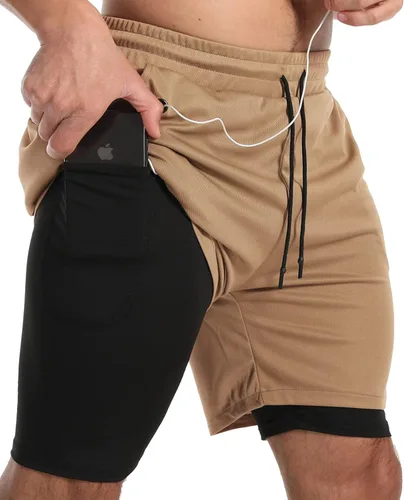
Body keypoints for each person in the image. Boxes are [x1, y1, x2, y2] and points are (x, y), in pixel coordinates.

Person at [0, 0, 402, 498]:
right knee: (66, 480)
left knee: (360, 477)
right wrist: (65, 26)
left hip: (305, 132)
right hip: (161, 126)